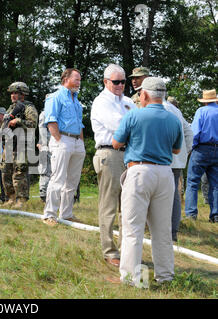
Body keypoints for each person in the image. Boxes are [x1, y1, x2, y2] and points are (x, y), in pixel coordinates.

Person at [112, 77, 183, 286]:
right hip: (165, 173)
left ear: (144, 95)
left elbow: (116, 143)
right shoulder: (173, 119)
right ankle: (165, 276)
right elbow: (177, 149)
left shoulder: (133, 115)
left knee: (133, 228)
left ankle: (131, 278)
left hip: (140, 171)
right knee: (162, 230)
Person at [90, 64, 136, 267]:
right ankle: (110, 251)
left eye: (123, 82)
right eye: (115, 82)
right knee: (109, 205)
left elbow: (133, 124)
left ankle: (126, 249)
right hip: (109, 153)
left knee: (128, 205)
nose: (120, 85)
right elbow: (119, 127)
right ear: (105, 81)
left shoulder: (127, 102)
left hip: (129, 153)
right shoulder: (101, 102)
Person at [42, 68, 85, 226]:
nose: (79, 83)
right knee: (58, 178)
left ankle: (66, 214)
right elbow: (51, 121)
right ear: (66, 78)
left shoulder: (76, 100)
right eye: (76, 79)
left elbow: (80, 123)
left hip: (76, 141)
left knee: (72, 181)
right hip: (62, 139)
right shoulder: (55, 97)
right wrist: (59, 140)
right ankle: (49, 215)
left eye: (79, 80)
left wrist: (80, 142)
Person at [0, 82, 38, 209]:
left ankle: (21, 200)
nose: (12, 95)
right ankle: (10, 198)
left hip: (21, 144)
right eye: (11, 93)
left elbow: (33, 125)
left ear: (22, 94)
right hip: (9, 145)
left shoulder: (28, 108)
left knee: (19, 172)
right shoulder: (11, 108)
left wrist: (19, 121)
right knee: (5, 172)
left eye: (15, 93)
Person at [184, 89, 218, 223]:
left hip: (202, 149)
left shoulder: (201, 112)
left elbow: (195, 133)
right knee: (215, 184)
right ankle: (215, 215)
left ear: (204, 101)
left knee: (192, 182)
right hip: (217, 149)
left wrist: (191, 148)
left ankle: (191, 214)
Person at [162, 97, 193, 241]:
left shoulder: (157, 108)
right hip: (176, 160)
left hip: (161, 160)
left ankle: (162, 230)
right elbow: (189, 133)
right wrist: (184, 152)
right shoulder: (176, 110)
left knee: (158, 194)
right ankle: (173, 232)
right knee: (173, 194)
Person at [37, 110, 51, 203]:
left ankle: (46, 193)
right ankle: (44, 193)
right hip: (47, 145)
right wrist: (42, 143)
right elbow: (42, 130)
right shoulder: (45, 113)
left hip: (49, 144)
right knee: (45, 170)